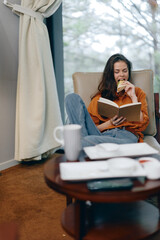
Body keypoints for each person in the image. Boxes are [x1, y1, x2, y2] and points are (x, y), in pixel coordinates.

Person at [65, 53, 149, 148]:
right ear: (110, 74)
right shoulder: (100, 97)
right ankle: (82, 142)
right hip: (103, 135)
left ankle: (80, 143)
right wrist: (110, 123)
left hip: (126, 136)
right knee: (71, 98)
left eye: (125, 71)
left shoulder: (137, 93)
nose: (121, 75)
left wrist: (133, 97)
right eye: (117, 72)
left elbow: (143, 124)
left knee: (90, 140)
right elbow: (91, 128)